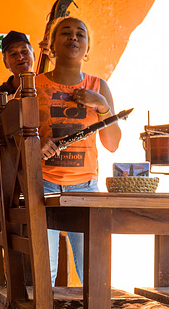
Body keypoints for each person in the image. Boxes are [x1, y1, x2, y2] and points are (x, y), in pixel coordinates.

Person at [38, 17, 122, 285]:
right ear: (52, 45)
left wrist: (102, 107)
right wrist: (34, 143)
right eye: (65, 33)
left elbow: (112, 143)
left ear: (88, 48)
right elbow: (14, 138)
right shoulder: (33, 86)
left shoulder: (99, 87)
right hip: (42, 185)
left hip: (86, 187)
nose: (73, 38)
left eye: (80, 34)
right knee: (44, 273)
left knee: (92, 272)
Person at [0, 30, 35, 109]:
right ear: (6, 63)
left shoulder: (46, 86)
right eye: (13, 54)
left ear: (34, 55)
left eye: (24, 51)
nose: (20, 57)